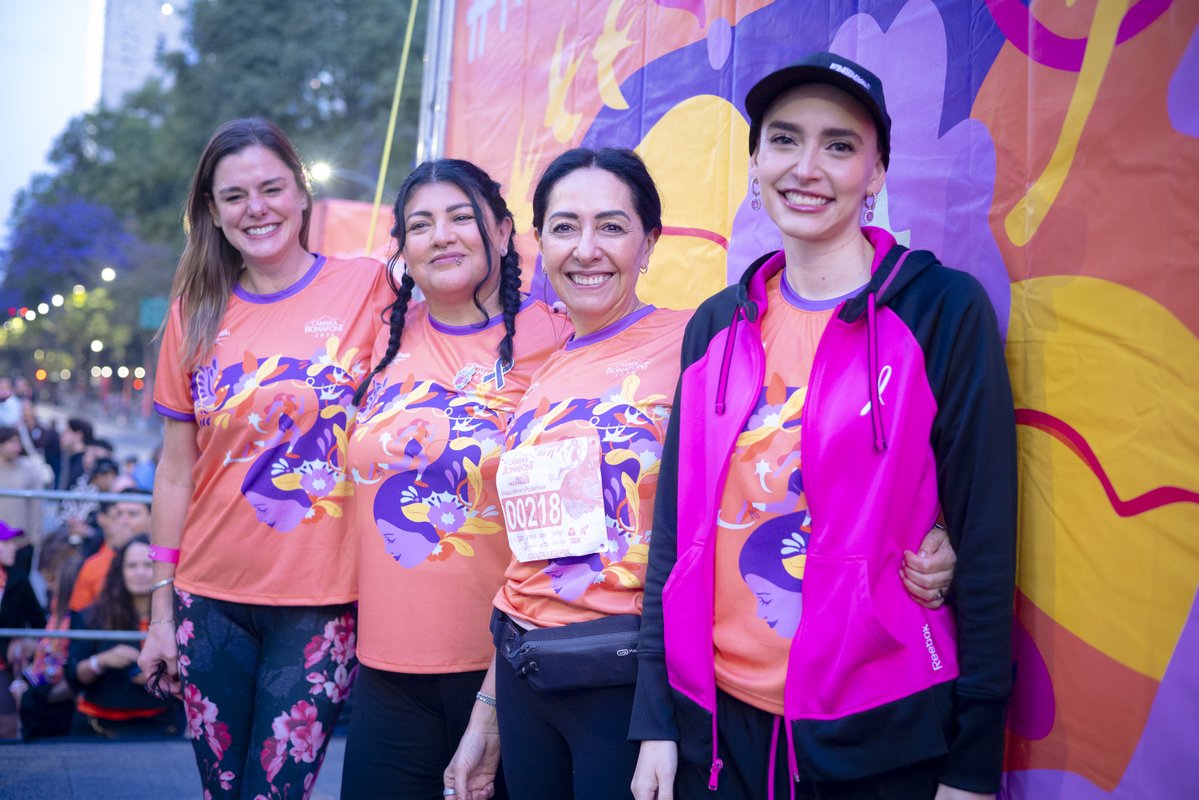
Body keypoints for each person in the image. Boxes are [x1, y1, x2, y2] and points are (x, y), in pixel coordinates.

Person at [448, 148, 960, 800]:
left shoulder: (700, 340)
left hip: (626, 676)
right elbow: (528, 564)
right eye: (564, 227)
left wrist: (937, 525)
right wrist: (487, 711)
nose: (586, 249)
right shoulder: (539, 367)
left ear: (649, 243)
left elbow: (821, 432)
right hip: (526, 675)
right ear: (539, 243)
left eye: (611, 226)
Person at [630, 53, 1017, 800]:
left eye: (838, 145)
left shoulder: (938, 309)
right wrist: (657, 715)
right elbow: (674, 538)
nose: (806, 167)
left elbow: (986, 539)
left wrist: (972, 763)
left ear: (876, 172)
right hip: (716, 730)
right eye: (784, 139)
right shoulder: (716, 323)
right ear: (754, 161)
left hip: (877, 732)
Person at [136, 118, 391, 797]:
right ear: (213, 215)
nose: (257, 208)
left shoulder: (369, 287)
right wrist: (161, 614)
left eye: (272, 188)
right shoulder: (195, 309)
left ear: (302, 194)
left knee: (276, 790)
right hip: (208, 599)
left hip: (323, 601)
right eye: (235, 196)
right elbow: (175, 469)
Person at [341, 159, 567, 799]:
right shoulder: (382, 338)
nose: (441, 235)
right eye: (420, 225)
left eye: (461, 217)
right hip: (385, 668)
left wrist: (497, 689)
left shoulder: (556, 338)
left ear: (501, 232)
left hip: (512, 671)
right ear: (403, 250)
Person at [66, 535, 182, 737]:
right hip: (96, 729)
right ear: (119, 571)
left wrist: (159, 675)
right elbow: (73, 676)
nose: (140, 573)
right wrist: (100, 662)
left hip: (162, 729)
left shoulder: (180, 618)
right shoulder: (91, 616)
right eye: (131, 566)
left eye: (149, 565)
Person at [9, 532, 81, 740]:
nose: (48, 587)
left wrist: (28, 687)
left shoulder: (70, 620)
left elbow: (55, 662)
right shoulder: (55, 615)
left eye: (51, 581)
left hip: (52, 702)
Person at [0, 521, 47, 738]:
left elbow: (38, 622)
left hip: (5, 667)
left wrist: (26, 642)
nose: (13, 547)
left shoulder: (18, 579)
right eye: (6, 541)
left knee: (7, 727)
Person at [69, 491, 150, 612]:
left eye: (133, 514)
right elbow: (79, 617)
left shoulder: (170, 562)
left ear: (154, 518)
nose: (123, 521)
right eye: (118, 514)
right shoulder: (93, 566)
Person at [0, 426, 44, 541]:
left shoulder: (28, 469)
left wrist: (34, 537)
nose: (17, 447)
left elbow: (36, 504)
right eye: (12, 442)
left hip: (21, 541)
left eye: (18, 442)